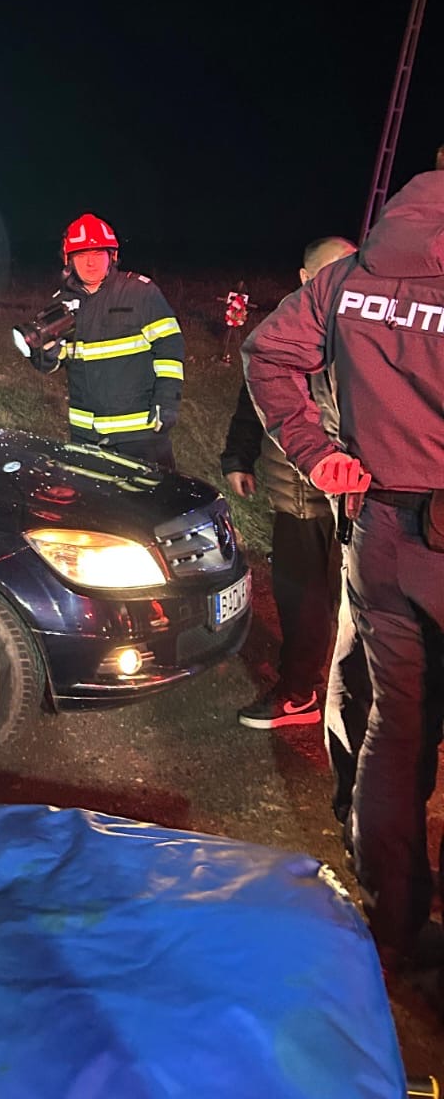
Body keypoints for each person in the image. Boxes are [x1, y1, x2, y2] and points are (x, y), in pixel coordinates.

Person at [243, 170, 444, 969]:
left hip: (382, 530)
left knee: (397, 722)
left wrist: (317, 452)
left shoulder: (352, 276)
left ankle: (394, 912)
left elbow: (267, 354)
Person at [220, 236, 355, 729]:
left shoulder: (367, 326)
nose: (343, 281)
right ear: (305, 278)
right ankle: (301, 689)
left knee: (338, 597)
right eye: (331, 271)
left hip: (351, 493)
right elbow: (254, 395)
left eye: (352, 269)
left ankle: (318, 692)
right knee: (303, 596)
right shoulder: (290, 327)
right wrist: (239, 457)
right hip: (299, 489)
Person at [24, 212, 184, 468]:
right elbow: (53, 360)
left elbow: (170, 347)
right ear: (68, 260)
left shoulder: (141, 292)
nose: (91, 263)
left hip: (140, 431)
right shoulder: (61, 304)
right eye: (82, 255)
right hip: (86, 433)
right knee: (90, 493)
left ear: (113, 256)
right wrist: (47, 354)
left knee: (152, 493)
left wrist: (167, 401)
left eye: (98, 254)